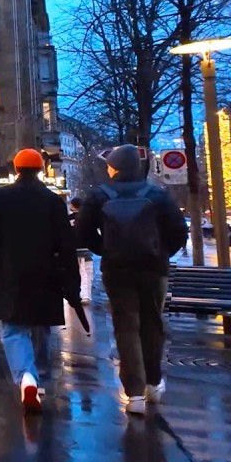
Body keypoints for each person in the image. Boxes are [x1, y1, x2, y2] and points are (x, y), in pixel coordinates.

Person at [78, 144, 188, 416]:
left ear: (114, 167)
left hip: (117, 270)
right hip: (153, 268)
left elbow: (83, 232)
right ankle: (153, 382)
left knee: (125, 327)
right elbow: (178, 231)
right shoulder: (157, 195)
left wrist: (105, 250)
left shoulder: (99, 196)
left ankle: (134, 393)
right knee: (153, 323)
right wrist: (161, 253)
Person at [0, 148, 80, 414]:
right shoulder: (53, 201)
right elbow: (66, 244)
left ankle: (27, 377)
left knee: (13, 328)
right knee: (41, 325)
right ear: (42, 168)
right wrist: (71, 278)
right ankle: (40, 375)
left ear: (15, 169)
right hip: (45, 272)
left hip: (7, 272)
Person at [68, 197, 94, 305]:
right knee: (87, 274)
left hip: (73, 250)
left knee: (76, 274)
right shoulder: (88, 218)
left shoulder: (68, 218)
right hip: (87, 249)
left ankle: (76, 295)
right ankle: (86, 295)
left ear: (73, 206)